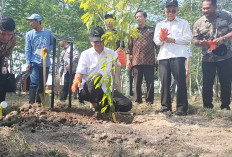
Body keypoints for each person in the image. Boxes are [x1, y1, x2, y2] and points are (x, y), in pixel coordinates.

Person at [71, 26, 132, 112]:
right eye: (96, 41)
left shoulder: (111, 53)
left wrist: (122, 60)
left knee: (127, 104)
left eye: (101, 41)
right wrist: (77, 79)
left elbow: (119, 65)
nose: (99, 43)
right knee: (96, 77)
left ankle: (102, 107)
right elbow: (80, 72)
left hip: (106, 89)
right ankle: (94, 105)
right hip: (88, 90)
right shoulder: (85, 54)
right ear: (91, 41)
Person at [153, 0, 192, 115]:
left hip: (178, 55)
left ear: (177, 11)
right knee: (165, 82)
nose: (170, 13)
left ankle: (181, 108)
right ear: (165, 11)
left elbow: (188, 38)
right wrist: (161, 38)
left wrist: (174, 39)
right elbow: (156, 41)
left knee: (180, 81)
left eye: (173, 11)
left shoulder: (183, 23)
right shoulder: (160, 24)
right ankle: (165, 107)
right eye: (168, 11)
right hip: (164, 56)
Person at [193, 0, 232, 110]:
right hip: (207, 58)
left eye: (208, 8)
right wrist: (200, 43)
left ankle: (225, 107)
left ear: (215, 7)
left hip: (225, 56)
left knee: (225, 81)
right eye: (203, 8)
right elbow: (195, 40)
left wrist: (223, 38)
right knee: (207, 83)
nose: (205, 10)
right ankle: (207, 107)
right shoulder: (198, 23)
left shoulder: (226, 16)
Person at [126, 10, 156, 105]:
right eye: (136, 17)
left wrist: (158, 58)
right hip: (136, 61)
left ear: (145, 17)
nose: (138, 18)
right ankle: (138, 101)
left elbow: (157, 46)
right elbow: (128, 48)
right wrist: (128, 60)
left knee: (150, 83)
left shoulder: (152, 30)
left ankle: (149, 102)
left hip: (149, 61)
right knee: (136, 83)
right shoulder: (133, 32)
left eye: (140, 16)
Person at [25, 14, 53, 104]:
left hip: (45, 62)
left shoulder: (49, 33)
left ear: (37, 21)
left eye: (32, 21)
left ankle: (38, 103)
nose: (30, 23)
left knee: (42, 84)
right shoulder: (29, 34)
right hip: (34, 62)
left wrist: (48, 48)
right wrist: (28, 62)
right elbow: (28, 49)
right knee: (34, 82)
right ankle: (31, 103)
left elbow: (53, 44)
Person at [104, 14, 125, 92]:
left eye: (111, 21)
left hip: (115, 60)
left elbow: (121, 46)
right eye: (107, 21)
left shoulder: (118, 34)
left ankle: (119, 98)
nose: (109, 22)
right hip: (104, 60)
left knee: (116, 81)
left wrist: (114, 54)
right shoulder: (103, 33)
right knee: (104, 80)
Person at [0, 17, 16, 103]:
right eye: (2, 34)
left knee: (3, 79)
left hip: (1, 59)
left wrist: (5, 60)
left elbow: (8, 52)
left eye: (9, 34)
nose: (6, 37)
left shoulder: (13, 39)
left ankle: (1, 105)